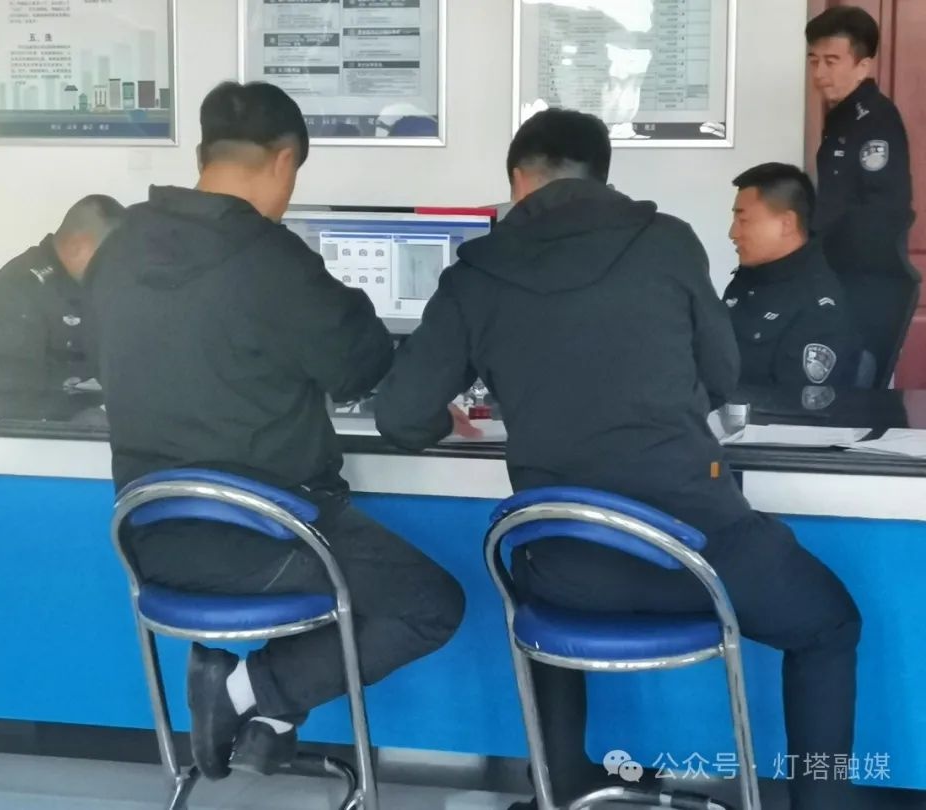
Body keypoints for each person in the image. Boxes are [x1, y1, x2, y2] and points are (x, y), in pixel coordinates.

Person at [373, 108, 861, 810]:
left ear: (519, 180)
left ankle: (558, 787)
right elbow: (721, 375)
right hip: (700, 555)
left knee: (537, 576)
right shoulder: (667, 243)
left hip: (566, 570)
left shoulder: (477, 273)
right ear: (603, 177)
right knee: (829, 624)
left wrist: (448, 414)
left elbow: (398, 416)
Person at [86, 81, 464, 780]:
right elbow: (361, 365)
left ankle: (272, 720)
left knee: (352, 577)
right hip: (269, 538)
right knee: (429, 604)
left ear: (205, 152)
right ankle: (246, 692)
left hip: (149, 539)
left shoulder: (118, 249)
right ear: (286, 159)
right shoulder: (269, 258)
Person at [807, 5, 917, 382]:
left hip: (869, 281)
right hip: (843, 274)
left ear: (863, 65)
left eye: (831, 61)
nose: (819, 73)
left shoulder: (874, 120)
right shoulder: (842, 117)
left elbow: (881, 211)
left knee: (857, 386)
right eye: (814, 60)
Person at [724, 162, 862, 388]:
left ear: (786, 224)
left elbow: (797, 404)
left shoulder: (818, 307)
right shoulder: (749, 278)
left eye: (744, 220)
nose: (733, 233)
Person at [0, 195, 125, 380]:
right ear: (75, 247)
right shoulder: (20, 291)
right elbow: (15, 387)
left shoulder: (81, 282)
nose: (115, 263)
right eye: (108, 253)